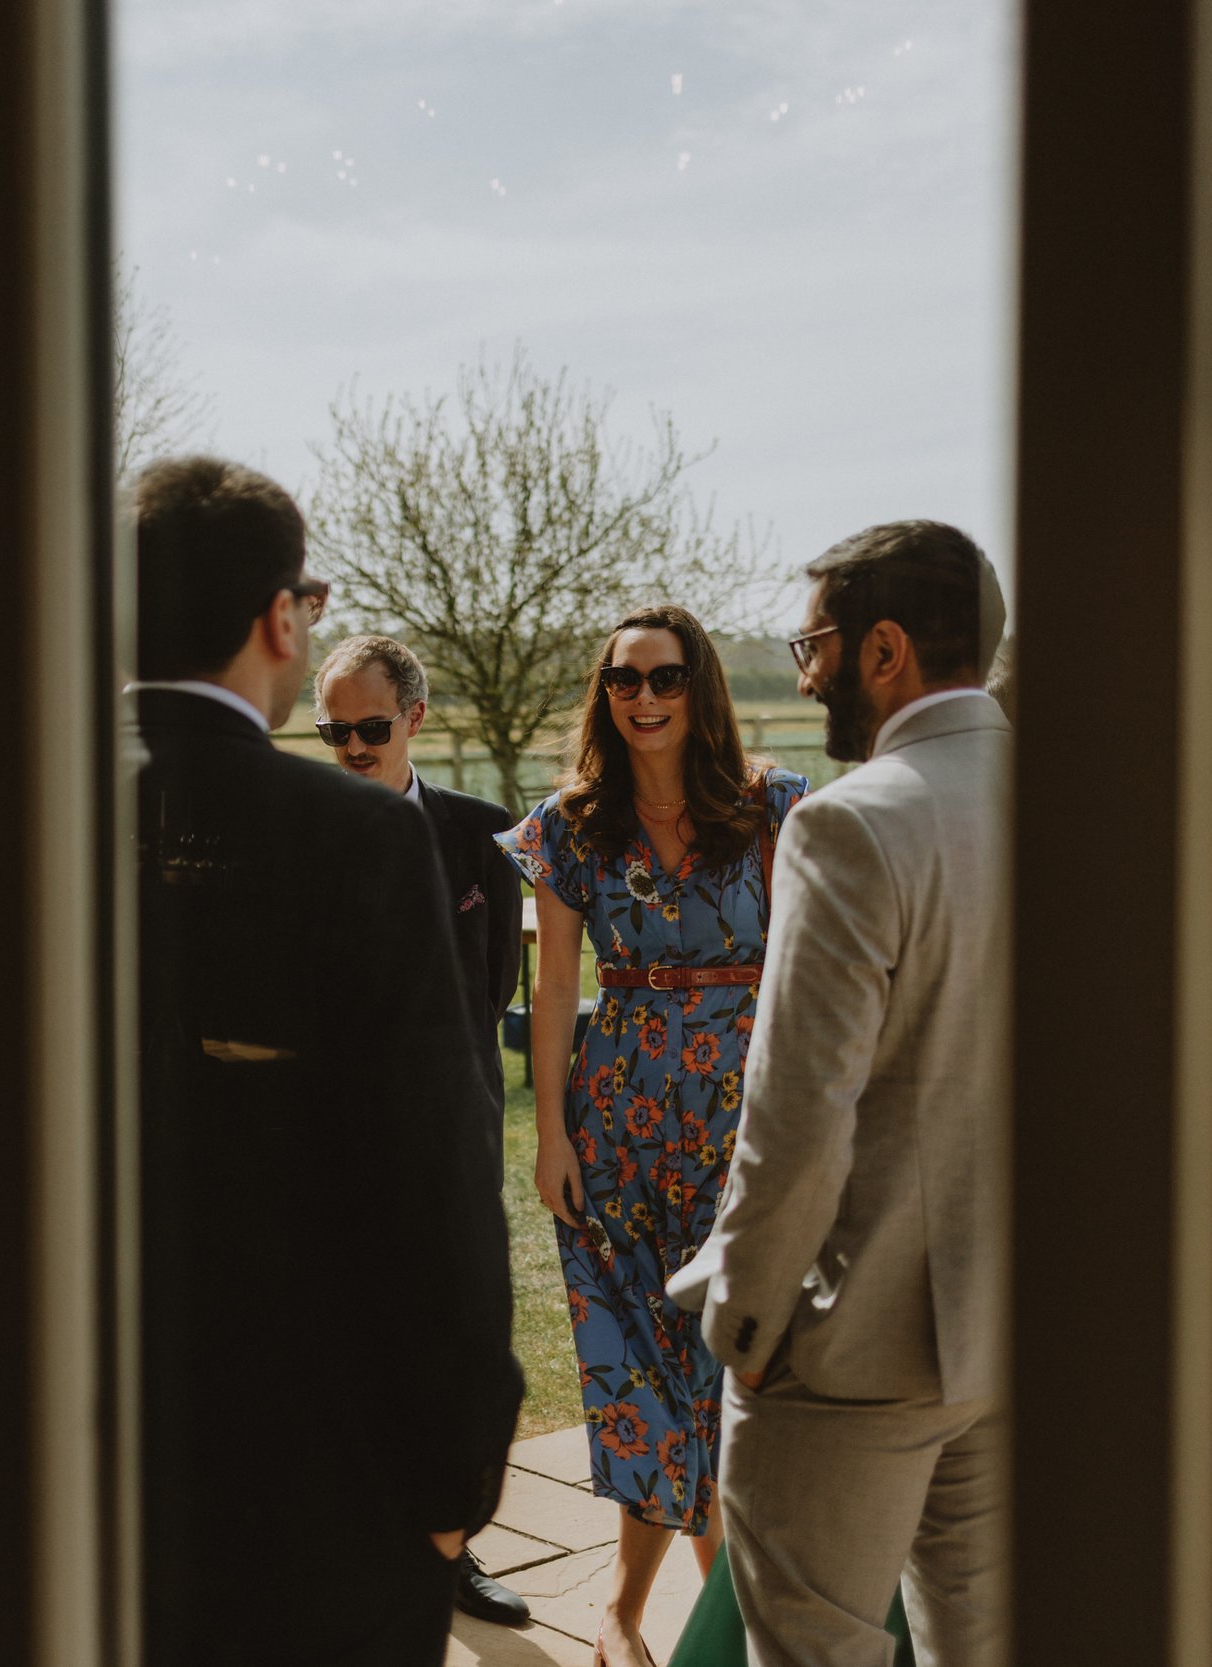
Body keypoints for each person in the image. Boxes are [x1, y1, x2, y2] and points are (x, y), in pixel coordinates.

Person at [131, 456, 522, 1667]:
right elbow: (432, 1177)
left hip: (77, 1442)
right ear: (280, 617)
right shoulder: (348, 837)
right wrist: (458, 1471)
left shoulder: (5, 816)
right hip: (310, 1459)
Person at [672, 521, 1010, 1667]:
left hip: (852, 1341)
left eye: (811, 643)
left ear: (884, 649)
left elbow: (795, 1121)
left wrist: (747, 1321)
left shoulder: (851, 820)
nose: (804, 671)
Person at [497, 604, 809, 1667]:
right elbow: (550, 992)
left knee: (727, 1379)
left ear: (699, 686)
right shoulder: (571, 822)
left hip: (743, 1121)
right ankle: (636, 1614)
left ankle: (708, 1627)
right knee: (639, 1381)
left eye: (665, 677)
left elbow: (814, 972)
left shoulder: (773, 809)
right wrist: (551, 1137)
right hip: (617, 1117)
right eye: (624, 680)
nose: (643, 698)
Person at [312, 633, 531, 1629]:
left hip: (454, 1132)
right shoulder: (300, 836)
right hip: (330, 1142)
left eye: (368, 727)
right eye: (332, 730)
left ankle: (451, 1547)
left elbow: (493, 987)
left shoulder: (486, 837)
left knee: (446, 1346)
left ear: (415, 718)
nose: (351, 747)